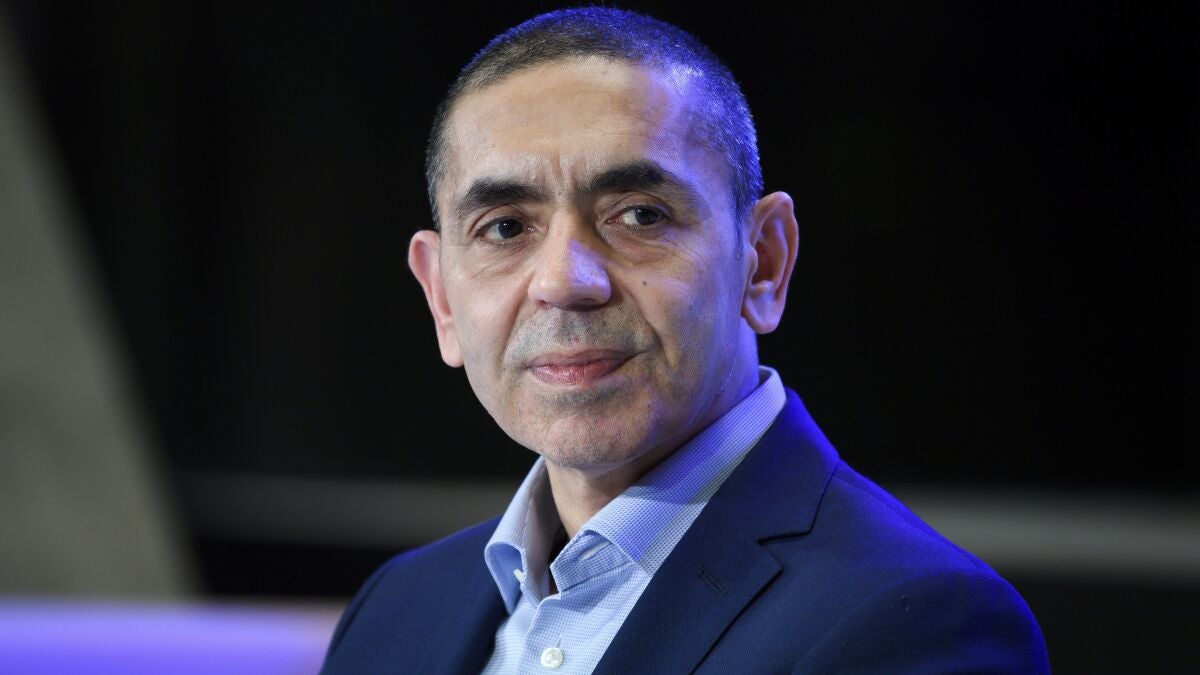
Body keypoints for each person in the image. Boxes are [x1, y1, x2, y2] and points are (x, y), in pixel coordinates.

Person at [321, 8, 1049, 674]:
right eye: (505, 227)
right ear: (442, 298)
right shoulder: (395, 610)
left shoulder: (915, 624)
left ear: (764, 263)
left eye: (640, 214)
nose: (564, 281)